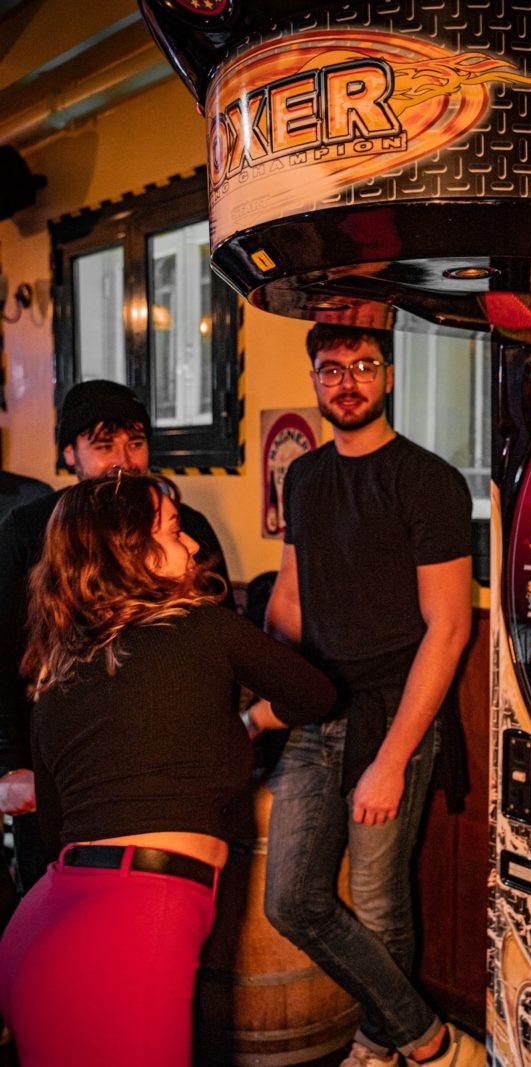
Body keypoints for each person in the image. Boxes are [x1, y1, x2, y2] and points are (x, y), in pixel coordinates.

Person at [0, 472, 336, 1067]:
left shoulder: (58, 679)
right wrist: (253, 722)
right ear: (134, 553)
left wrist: (238, 728)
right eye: (175, 532)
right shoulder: (203, 625)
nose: (192, 549)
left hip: (39, 928)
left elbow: (56, 834)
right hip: (137, 922)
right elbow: (315, 695)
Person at [264, 324, 483, 1067]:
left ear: (388, 375)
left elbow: (450, 628)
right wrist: (264, 687)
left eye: (363, 366)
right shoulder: (302, 477)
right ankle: (427, 1038)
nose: (347, 380)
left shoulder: (426, 479)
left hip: (394, 711)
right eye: (331, 368)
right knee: (292, 899)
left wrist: (391, 759)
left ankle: (378, 1040)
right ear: (316, 379)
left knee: (379, 898)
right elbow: (290, 597)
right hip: (314, 706)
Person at [0, 379, 234, 893]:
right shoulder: (27, 529)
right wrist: (10, 765)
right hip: (60, 771)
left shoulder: (185, 527)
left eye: (135, 442)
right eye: (103, 445)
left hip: (165, 771)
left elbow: (223, 644)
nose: (123, 460)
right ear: (70, 454)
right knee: (56, 911)